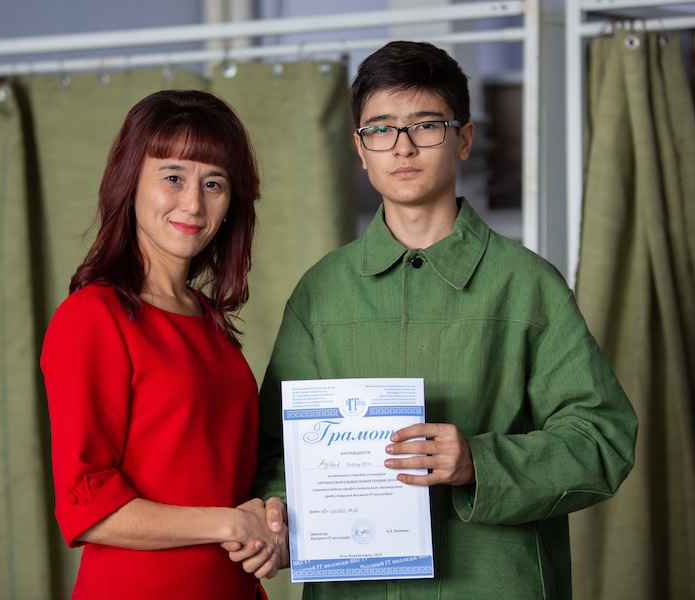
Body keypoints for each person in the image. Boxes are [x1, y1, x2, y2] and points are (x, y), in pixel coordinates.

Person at [233, 41, 639, 599]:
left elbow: (602, 439)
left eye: (426, 125)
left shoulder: (528, 284)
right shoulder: (320, 292)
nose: (402, 147)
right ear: (360, 148)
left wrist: (479, 461)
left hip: (496, 585)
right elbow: (278, 451)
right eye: (380, 129)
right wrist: (277, 521)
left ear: (464, 139)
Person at [41, 89, 284, 599]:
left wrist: (265, 517)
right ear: (129, 183)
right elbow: (86, 504)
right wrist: (228, 523)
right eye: (173, 177)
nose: (193, 203)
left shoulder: (211, 321)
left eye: (213, 183)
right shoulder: (92, 316)